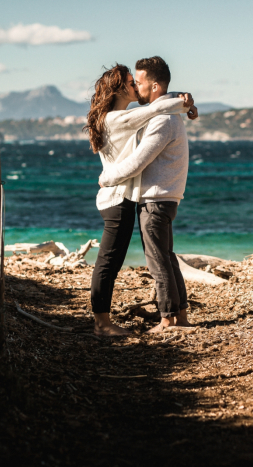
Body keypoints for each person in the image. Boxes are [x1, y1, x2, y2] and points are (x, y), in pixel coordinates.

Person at [84, 63, 198, 336]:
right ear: (120, 88)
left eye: (138, 82)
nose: (136, 85)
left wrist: (184, 101)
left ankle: (112, 321)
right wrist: (184, 102)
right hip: (115, 196)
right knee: (108, 263)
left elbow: (156, 106)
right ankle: (102, 324)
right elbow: (155, 108)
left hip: (124, 198)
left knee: (122, 261)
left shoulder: (126, 114)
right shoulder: (115, 118)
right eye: (131, 82)